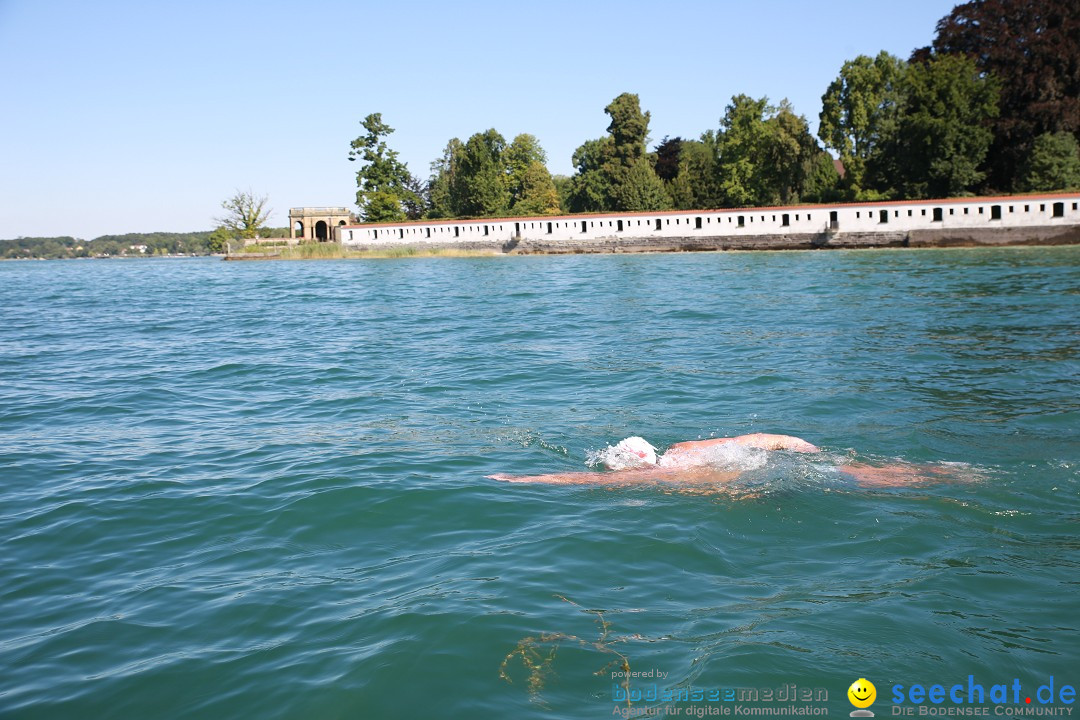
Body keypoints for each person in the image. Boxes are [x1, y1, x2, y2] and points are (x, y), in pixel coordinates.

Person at [487, 433, 959, 488]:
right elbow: (756, 437)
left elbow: (581, 481)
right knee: (863, 472)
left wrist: (522, 479)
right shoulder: (684, 450)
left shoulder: (656, 479)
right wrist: (799, 444)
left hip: (773, 481)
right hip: (787, 462)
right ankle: (947, 472)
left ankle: (948, 482)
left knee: (871, 483)